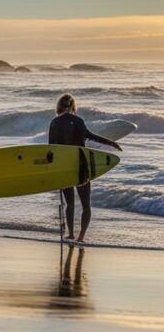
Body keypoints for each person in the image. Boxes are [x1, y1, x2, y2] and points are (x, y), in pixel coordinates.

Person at [49, 93, 121, 242]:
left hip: (64, 168)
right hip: (81, 167)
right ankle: (81, 237)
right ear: (73, 106)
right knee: (86, 205)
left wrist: (51, 170)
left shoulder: (54, 123)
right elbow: (91, 136)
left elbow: (51, 149)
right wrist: (111, 143)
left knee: (69, 203)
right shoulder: (78, 121)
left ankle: (70, 234)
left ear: (59, 106)